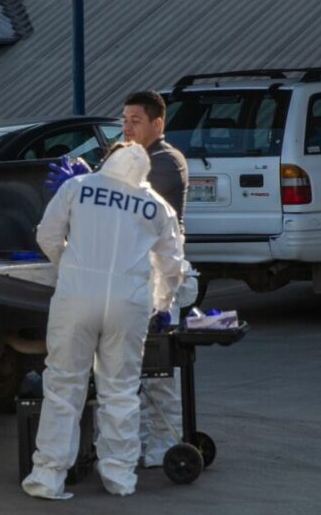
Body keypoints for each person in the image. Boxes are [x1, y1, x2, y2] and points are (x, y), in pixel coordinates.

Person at [22, 142, 184, 499]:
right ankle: (119, 476)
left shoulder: (78, 188)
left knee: (64, 386)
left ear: (108, 160)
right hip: (129, 302)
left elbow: (47, 235)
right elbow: (172, 266)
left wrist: (68, 265)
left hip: (77, 296)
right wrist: (160, 303)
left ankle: (48, 476)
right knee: (121, 390)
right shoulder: (157, 205)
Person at [121, 91, 192, 469]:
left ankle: (167, 445)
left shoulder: (166, 162)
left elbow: (132, 205)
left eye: (135, 120)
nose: (127, 127)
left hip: (161, 278)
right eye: (124, 120)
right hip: (130, 275)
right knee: (131, 370)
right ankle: (141, 444)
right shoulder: (124, 160)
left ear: (157, 124)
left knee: (159, 371)